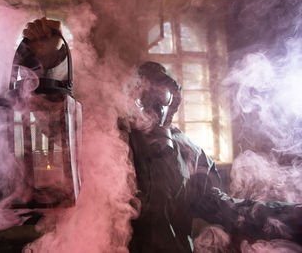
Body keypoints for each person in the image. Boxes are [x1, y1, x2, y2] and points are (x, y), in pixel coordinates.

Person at [23, 18, 302, 252]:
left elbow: (227, 210)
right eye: (143, 98)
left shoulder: (190, 153)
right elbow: (58, 126)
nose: (151, 111)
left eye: (161, 103)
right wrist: (51, 63)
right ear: (129, 97)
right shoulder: (105, 137)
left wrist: (291, 215)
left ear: (173, 109)